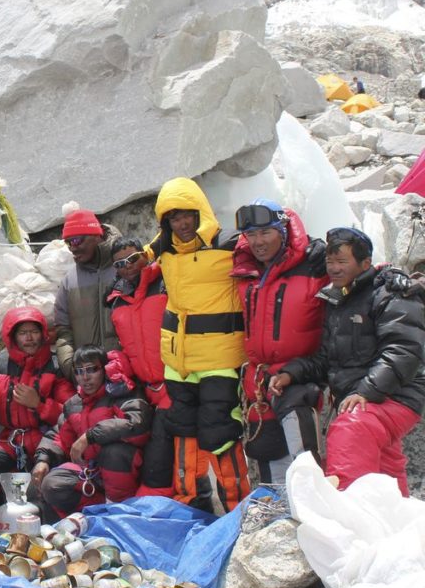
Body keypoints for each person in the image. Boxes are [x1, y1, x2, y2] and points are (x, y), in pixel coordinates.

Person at [269, 228, 425, 495]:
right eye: (330, 262)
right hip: (366, 399)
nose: (334, 269)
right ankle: (401, 524)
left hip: (395, 395)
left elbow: (404, 350)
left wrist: (366, 391)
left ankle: (345, 507)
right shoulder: (338, 300)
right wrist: (291, 374)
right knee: (385, 466)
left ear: (365, 263)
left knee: (350, 426)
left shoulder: (389, 293)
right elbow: (327, 359)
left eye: (342, 262)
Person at [146, 177, 250, 512]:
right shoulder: (165, 252)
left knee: (220, 434)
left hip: (219, 360)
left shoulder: (230, 246)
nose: (183, 223)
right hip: (179, 363)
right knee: (183, 435)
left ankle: (238, 510)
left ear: (200, 212)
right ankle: (189, 508)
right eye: (174, 218)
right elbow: (142, 256)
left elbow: (272, 250)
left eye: (187, 215)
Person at [231, 199, 328, 485]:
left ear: (283, 230)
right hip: (259, 382)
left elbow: (355, 272)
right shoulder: (245, 269)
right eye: (251, 235)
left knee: (305, 465)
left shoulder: (315, 265)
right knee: (269, 462)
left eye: (265, 233)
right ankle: (277, 523)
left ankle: (313, 518)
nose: (257, 242)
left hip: (300, 378)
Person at [0, 306, 75, 519]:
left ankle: (47, 526)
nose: (29, 338)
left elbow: (70, 414)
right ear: (12, 337)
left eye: (34, 331)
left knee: (50, 481)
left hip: (47, 441)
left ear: (43, 334)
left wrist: (39, 404)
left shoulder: (56, 367)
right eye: (23, 333)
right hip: (10, 441)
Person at [33, 347, 152, 521]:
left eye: (91, 370)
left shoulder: (123, 393)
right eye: (79, 372)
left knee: (114, 452)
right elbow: (58, 436)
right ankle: (95, 516)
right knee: (51, 483)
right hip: (92, 474)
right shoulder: (73, 404)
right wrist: (43, 459)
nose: (85, 377)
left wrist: (90, 436)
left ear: (104, 369)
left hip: (126, 476)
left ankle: (120, 515)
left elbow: (136, 425)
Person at [105, 237, 173, 497]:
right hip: (144, 388)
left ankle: (188, 504)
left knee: (171, 453)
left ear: (145, 255)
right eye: (120, 264)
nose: (128, 267)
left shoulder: (165, 282)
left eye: (133, 259)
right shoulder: (117, 300)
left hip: (175, 381)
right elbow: (123, 345)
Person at [53, 204, 121, 379]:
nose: (72, 248)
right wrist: (70, 367)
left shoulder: (124, 267)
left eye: (76, 241)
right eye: (68, 243)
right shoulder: (69, 281)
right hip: (88, 380)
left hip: (126, 373)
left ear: (96, 236)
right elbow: (63, 331)